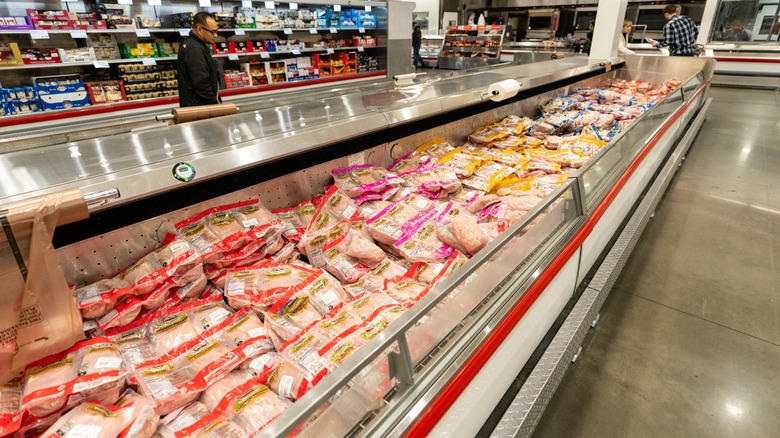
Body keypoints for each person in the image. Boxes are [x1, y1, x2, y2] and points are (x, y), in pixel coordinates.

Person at [177, 12, 221, 107]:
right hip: (199, 109)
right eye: (212, 32)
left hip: (199, 106)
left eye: (217, 31)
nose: (216, 35)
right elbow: (201, 84)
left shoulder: (197, 45)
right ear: (199, 29)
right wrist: (216, 107)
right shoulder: (194, 49)